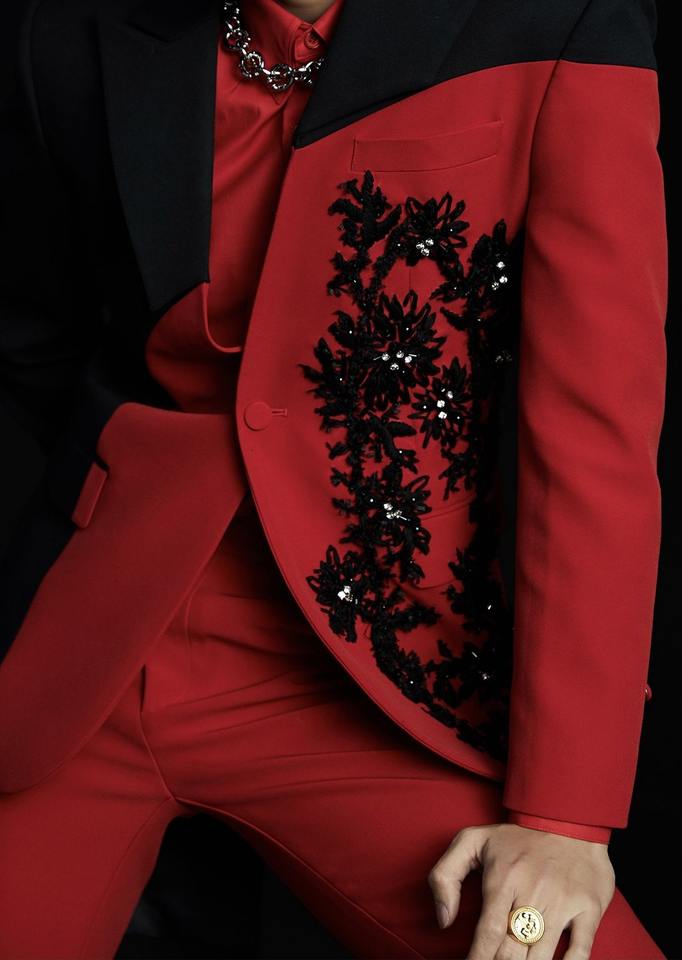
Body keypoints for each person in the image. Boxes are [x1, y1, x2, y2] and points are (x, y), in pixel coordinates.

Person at [0, 0, 667, 957]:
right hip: (96, 643)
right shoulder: (65, 31)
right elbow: (37, 330)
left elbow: (591, 431)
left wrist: (565, 816)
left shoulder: (560, 21)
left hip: (376, 675)